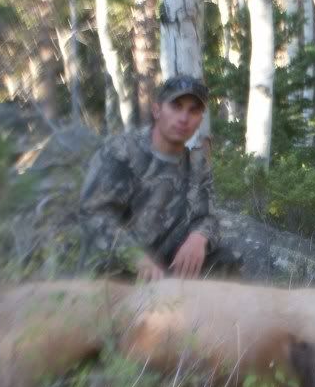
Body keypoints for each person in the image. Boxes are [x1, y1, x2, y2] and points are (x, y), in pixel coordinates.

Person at [80, 74, 240, 281]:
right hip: (120, 266)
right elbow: (93, 214)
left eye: (193, 111)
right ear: (156, 110)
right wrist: (133, 256)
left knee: (225, 261)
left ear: (200, 119)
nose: (183, 118)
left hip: (168, 266)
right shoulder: (121, 152)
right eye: (176, 106)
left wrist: (199, 237)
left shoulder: (196, 163)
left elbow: (207, 217)